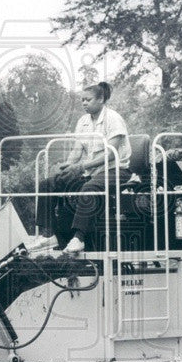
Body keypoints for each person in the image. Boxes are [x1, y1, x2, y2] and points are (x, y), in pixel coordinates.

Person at [35, 81, 132, 253]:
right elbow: (77, 149)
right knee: (47, 184)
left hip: (117, 170)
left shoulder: (114, 119)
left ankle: (78, 238)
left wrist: (81, 167)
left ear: (101, 99)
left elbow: (110, 154)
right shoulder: (83, 121)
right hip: (91, 172)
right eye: (82, 100)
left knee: (89, 188)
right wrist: (68, 165)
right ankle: (49, 233)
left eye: (88, 100)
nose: (84, 103)